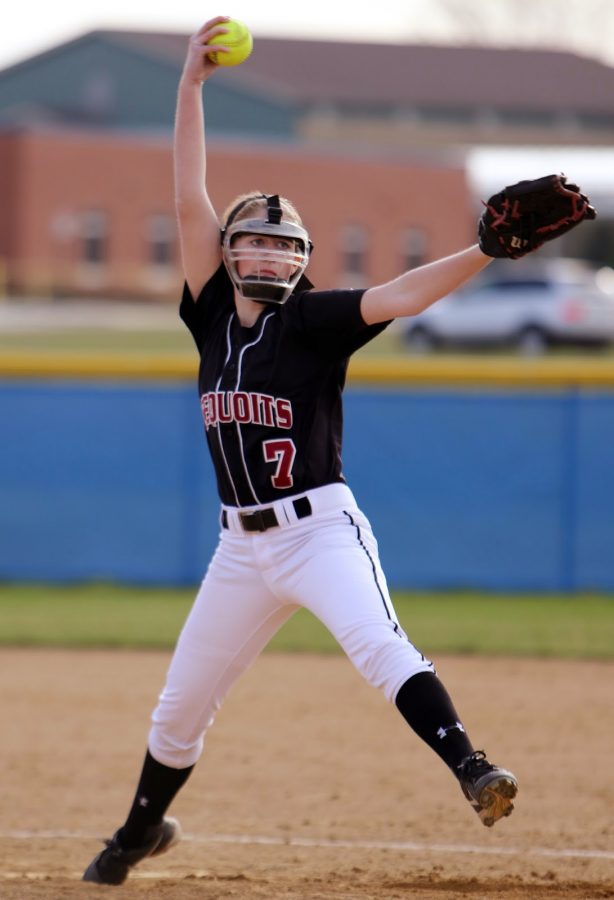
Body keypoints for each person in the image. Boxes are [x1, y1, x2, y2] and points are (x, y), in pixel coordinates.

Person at [82, 16, 593, 886]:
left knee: (379, 646)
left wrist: (481, 251)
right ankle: (137, 833)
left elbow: (399, 292)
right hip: (240, 547)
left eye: (283, 245)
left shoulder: (313, 323)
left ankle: (473, 767)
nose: (265, 251)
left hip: (319, 532)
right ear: (228, 251)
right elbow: (184, 196)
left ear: (301, 262)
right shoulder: (209, 313)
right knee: (179, 711)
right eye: (252, 239)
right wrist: (190, 85)